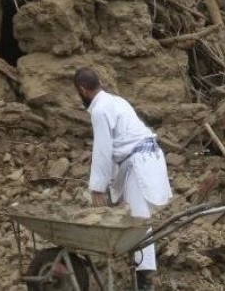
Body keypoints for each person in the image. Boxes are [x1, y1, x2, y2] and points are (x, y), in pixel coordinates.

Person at [73, 67, 172, 291]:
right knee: (139, 221)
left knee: (139, 222)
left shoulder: (99, 110)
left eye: (78, 93)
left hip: (139, 164)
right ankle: (141, 276)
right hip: (148, 158)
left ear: (82, 89)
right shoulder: (115, 101)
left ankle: (145, 281)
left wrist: (97, 189)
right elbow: (122, 137)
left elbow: (103, 150)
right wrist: (97, 153)